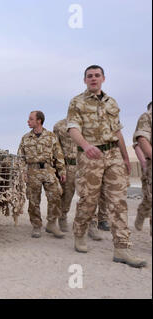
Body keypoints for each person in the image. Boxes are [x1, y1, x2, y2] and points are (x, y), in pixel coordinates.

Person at [66, 65, 146, 268]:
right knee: (89, 200)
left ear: (103, 78)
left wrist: (126, 158)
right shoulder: (77, 102)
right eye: (89, 76)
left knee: (118, 201)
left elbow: (118, 132)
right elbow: (73, 129)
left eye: (97, 75)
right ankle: (80, 233)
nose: (93, 79)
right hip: (90, 156)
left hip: (114, 155)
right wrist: (85, 145)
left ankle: (122, 247)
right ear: (85, 80)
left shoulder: (112, 102)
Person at [18, 111, 66, 239]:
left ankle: (52, 223)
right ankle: (36, 226)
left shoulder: (51, 136)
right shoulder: (25, 138)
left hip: (48, 170)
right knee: (33, 201)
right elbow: (21, 158)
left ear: (39, 121)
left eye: (31, 119)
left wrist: (61, 171)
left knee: (55, 196)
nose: (28, 121)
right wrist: (23, 172)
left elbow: (58, 154)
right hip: (32, 171)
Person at [133, 101, 152, 235]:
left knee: (148, 200)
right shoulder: (147, 118)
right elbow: (139, 143)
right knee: (150, 199)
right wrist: (144, 163)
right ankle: (142, 213)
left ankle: (142, 212)